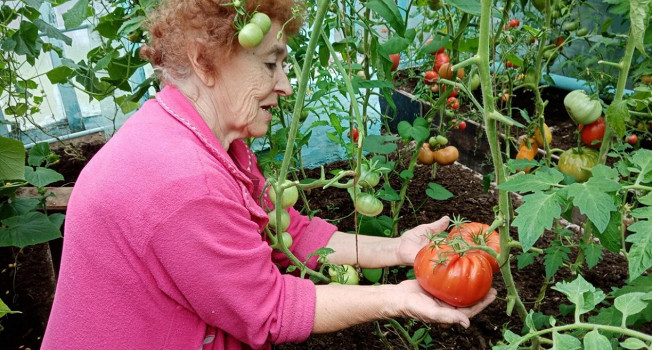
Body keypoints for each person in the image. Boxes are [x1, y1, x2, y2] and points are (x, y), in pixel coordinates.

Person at [42, 0, 496, 349]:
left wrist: (399, 249)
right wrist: (398, 298)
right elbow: (269, 309)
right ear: (204, 61)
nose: (285, 85)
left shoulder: (203, 140)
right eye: (270, 64)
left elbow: (291, 236)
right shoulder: (184, 182)